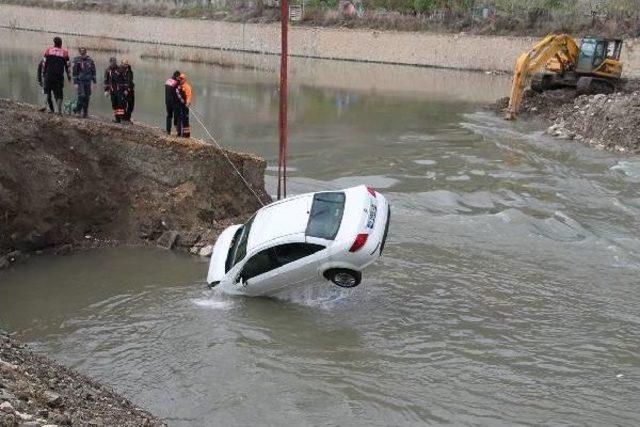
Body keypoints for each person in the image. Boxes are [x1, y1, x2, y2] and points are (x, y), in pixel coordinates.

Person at [42, 36, 71, 115]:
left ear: (54, 43)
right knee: (59, 93)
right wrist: (69, 77)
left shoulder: (48, 51)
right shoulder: (65, 53)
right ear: (61, 43)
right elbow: (68, 66)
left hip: (49, 75)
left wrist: (43, 74)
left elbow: (44, 63)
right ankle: (59, 110)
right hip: (58, 76)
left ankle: (51, 109)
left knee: (47, 91)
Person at [71, 47, 96, 118]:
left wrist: (94, 82)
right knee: (82, 95)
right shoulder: (76, 60)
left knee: (87, 97)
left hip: (88, 81)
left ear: (86, 52)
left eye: (84, 51)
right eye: (81, 51)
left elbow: (93, 71)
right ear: (79, 52)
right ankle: (78, 111)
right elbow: (74, 72)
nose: (83, 53)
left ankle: (85, 112)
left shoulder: (90, 60)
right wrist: (75, 83)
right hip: (80, 81)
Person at [103, 57, 126, 123]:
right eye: (112, 61)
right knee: (114, 104)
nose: (114, 63)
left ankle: (122, 119)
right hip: (112, 90)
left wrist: (125, 89)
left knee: (120, 104)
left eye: (115, 61)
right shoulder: (107, 70)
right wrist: (106, 90)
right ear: (110, 62)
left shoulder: (120, 69)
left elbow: (124, 80)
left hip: (119, 89)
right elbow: (106, 81)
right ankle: (117, 119)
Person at [164, 70, 181, 135]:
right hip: (174, 103)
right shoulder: (176, 83)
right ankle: (178, 133)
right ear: (177, 76)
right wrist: (182, 101)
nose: (179, 78)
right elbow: (178, 94)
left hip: (167, 102)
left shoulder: (167, 81)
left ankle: (168, 131)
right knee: (177, 117)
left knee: (169, 116)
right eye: (179, 77)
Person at [177, 72, 192, 138]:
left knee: (185, 120)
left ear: (184, 80)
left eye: (182, 79)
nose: (180, 80)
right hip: (179, 106)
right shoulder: (178, 86)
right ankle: (180, 133)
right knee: (179, 119)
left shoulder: (187, 87)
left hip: (185, 106)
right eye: (179, 78)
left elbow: (189, 96)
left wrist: (188, 103)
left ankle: (187, 135)